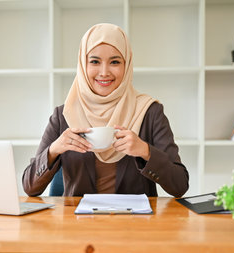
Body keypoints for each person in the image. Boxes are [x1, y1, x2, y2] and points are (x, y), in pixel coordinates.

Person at [22, 23, 188, 197]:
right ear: (82, 65)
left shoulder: (149, 112)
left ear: (127, 65)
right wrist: (54, 149)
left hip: (135, 222)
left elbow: (180, 185)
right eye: (94, 61)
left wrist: (145, 151)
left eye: (115, 62)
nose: (104, 72)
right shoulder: (63, 116)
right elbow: (30, 187)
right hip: (77, 222)